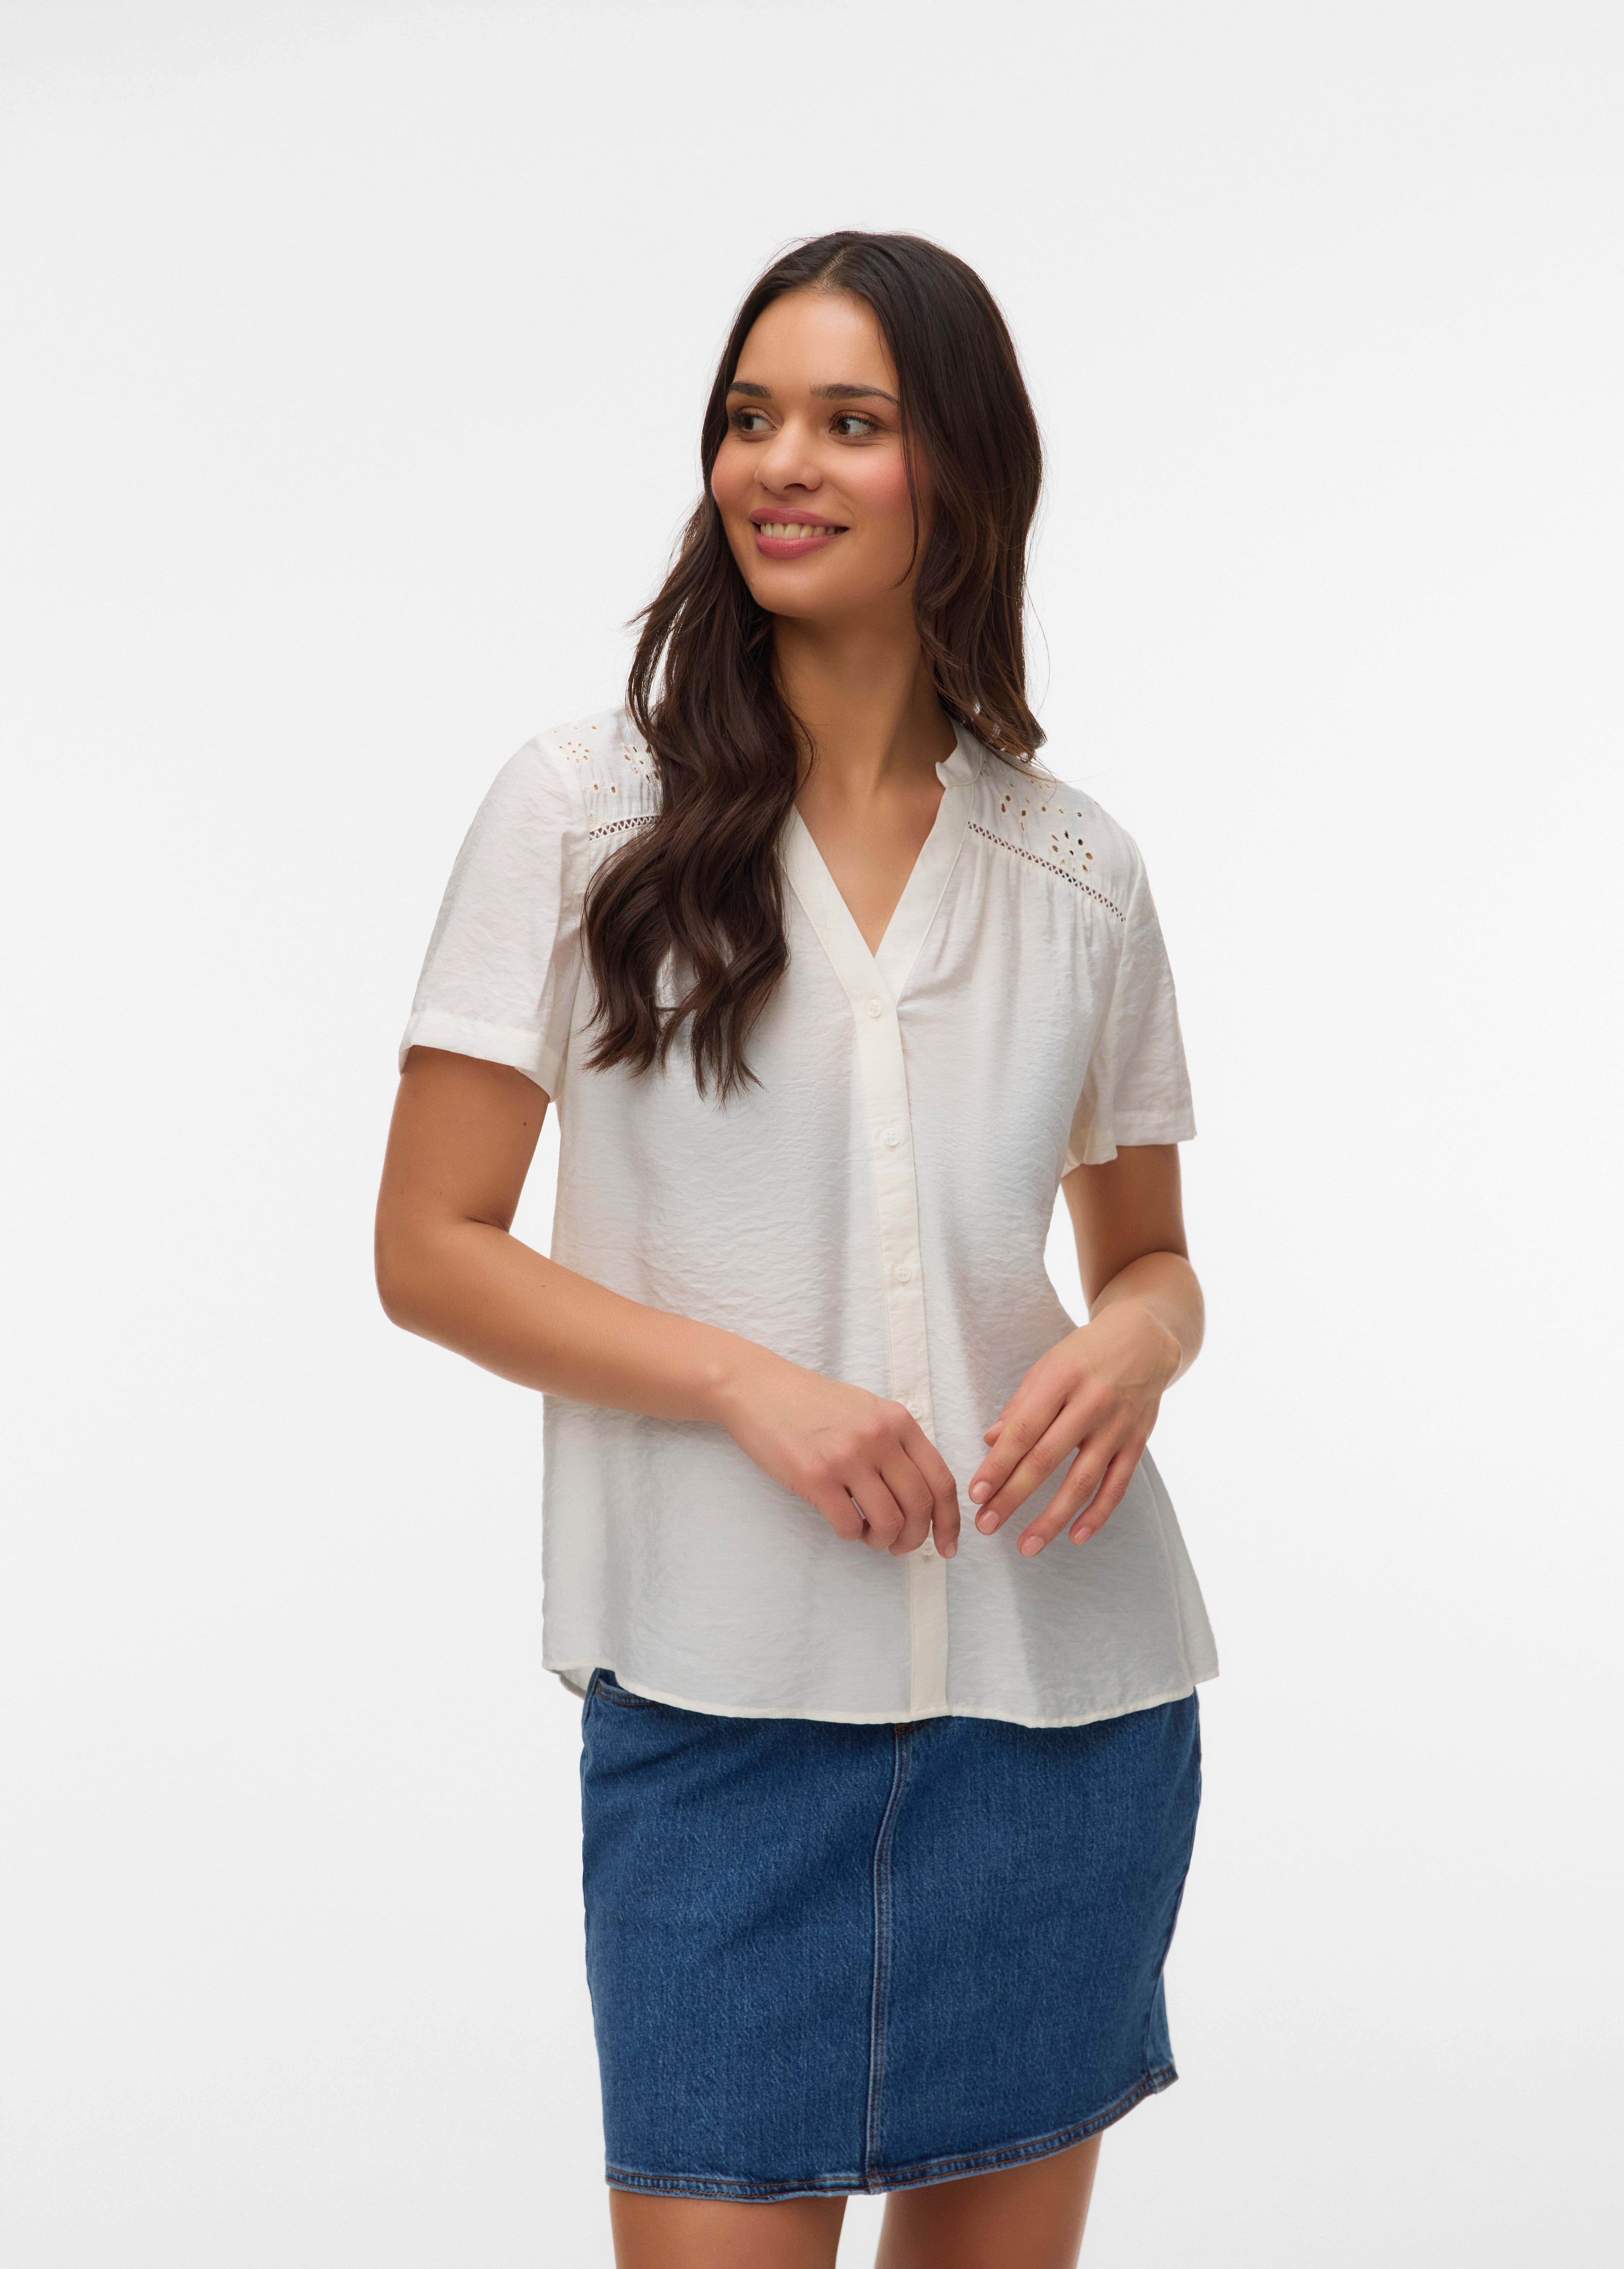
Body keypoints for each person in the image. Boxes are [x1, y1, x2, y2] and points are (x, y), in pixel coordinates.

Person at [375, 230, 1216, 2269]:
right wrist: (744, 1381)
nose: (781, 463)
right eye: (751, 417)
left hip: (1055, 1707)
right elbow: (428, 1246)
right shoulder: (580, 812)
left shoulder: (1076, 870)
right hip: (718, 1707)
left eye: (850, 421)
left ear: (962, 473)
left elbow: (1152, 1259)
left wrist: (1137, 1343)